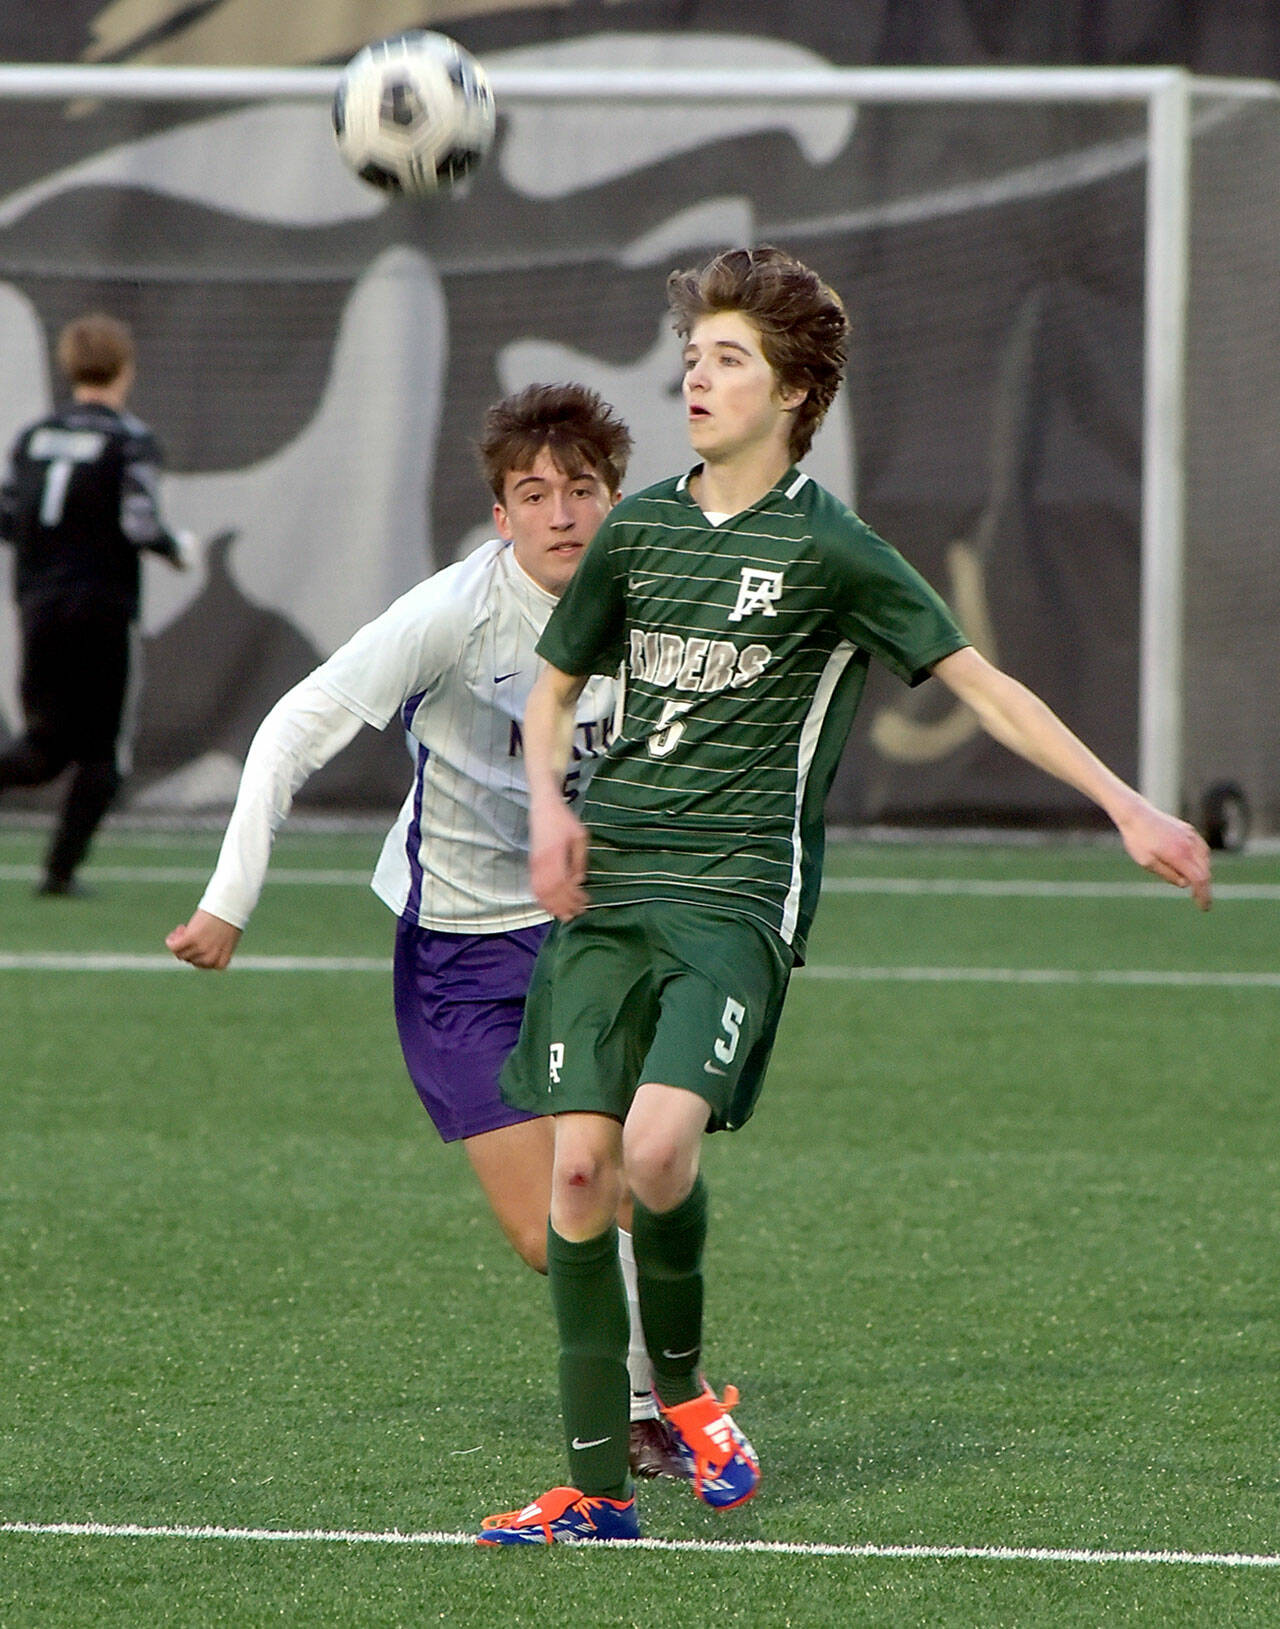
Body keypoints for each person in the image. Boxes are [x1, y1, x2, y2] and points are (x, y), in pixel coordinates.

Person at [477, 245, 1213, 1545]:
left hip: (739, 898)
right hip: (612, 884)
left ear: (797, 390)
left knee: (655, 1150)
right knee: (579, 1174)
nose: (696, 377)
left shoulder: (833, 547)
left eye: (728, 359)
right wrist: (546, 811)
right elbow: (551, 692)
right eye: (693, 354)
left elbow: (987, 688)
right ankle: (595, 1491)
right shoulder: (639, 526)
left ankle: (690, 1387)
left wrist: (1127, 803)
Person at [165, 382, 686, 1479]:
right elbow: (294, 725)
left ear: (613, 500)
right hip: (459, 952)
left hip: (588, 934)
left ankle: (646, 1401)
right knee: (550, 1233)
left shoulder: (656, 610)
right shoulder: (454, 613)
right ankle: (650, 1377)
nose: (559, 514)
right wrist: (229, 898)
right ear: (499, 516)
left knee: (622, 1172)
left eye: (580, 490)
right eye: (531, 494)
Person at [0, 312, 195, 895]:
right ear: (125, 370)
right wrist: (174, 548)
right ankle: (59, 874)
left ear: (69, 365)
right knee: (101, 756)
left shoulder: (34, 438)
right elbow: (139, 523)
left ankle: (59, 873)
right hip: (101, 610)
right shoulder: (128, 439)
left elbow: (9, 517)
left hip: (39, 607)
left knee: (40, 750)